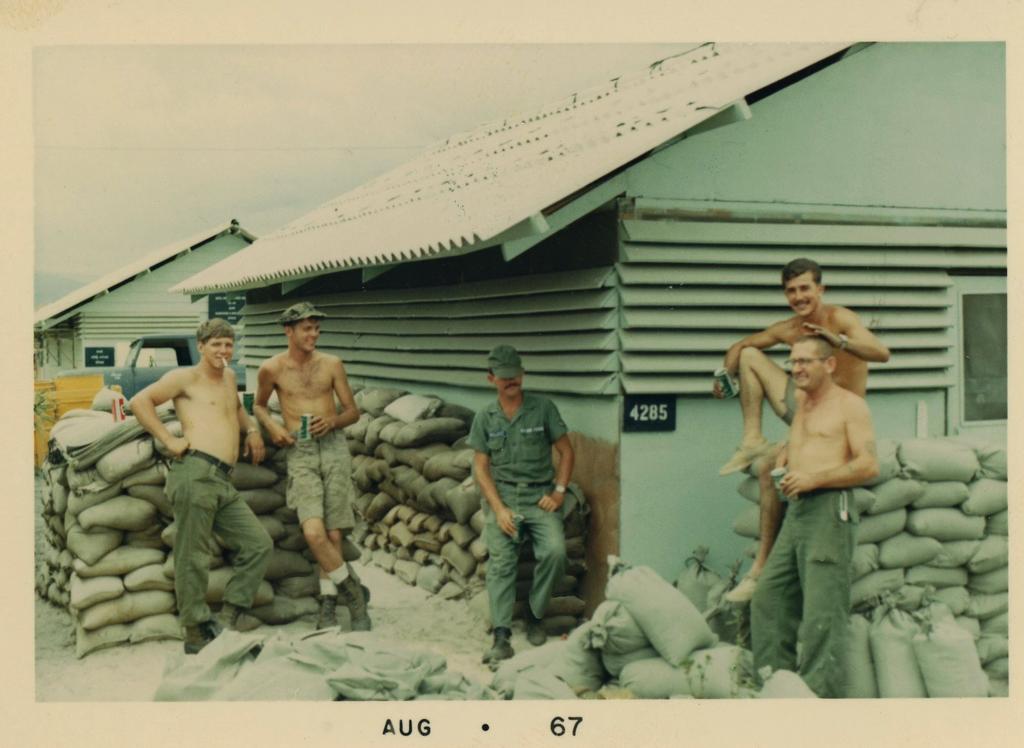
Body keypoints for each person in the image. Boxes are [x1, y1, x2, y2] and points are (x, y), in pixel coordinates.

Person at [715, 258, 889, 602]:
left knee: (772, 470)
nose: (799, 296)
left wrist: (837, 340)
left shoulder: (840, 318)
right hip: (803, 413)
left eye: (805, 288)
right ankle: (751, 439)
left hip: (837, 418)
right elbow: (741, 345)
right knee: (750, 356)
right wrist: (724, 375)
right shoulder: (790, 328)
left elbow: (881, 352)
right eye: (791, 291)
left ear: (820, 289)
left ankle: (761, 568)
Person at [130, 318, 273, 654]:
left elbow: (236, 409)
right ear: (201, 346)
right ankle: (194, 632)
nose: (223, 350)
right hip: (195, 472)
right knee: (193, 556)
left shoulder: (229, 377)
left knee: (258, 544)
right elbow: (140, 402)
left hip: (223, 479)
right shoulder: (184, 377)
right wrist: (168, 439)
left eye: (228, 344)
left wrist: (251, 431)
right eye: (216, 345)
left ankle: (226, 621)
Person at [750, 335, 879, 698]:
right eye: (793, 361)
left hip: (829, 508)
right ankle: (776, 686)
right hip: (798, 510)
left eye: (806, 361)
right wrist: (787, 453)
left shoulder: (850, 406)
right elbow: (810, 440)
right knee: (769, 598)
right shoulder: (803, 400)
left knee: (823, 613)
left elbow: (868, 465)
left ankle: (819, 701)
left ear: (830, 364)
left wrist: (814, 478)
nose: (797, 369)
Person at [253, 302, 370, 631]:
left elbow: (353, 412)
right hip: (300, 449)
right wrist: (274, 428)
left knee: (334, 533)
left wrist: (332, 422)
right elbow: (260, 406)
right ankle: (355, 597)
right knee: (314, 532)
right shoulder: (271, 369)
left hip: (332, 447)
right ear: (288, 331)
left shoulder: (332, 364)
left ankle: (329, 604)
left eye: (317, 328)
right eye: (307, 328)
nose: (314, 334)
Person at [468, 344, 575, 664]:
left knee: (556, 551)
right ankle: (501, 635)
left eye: (515, 375)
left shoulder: (543, 408)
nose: (510, 381)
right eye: (503, 377)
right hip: (504, 497)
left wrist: (558, 492)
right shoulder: (485, 417)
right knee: (501, 563)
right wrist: (498, 509)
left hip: (539, 497)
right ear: (491, 379)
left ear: (523, 374)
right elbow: (480, 467)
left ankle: (535, 613)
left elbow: (567, 452)